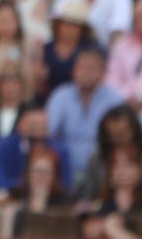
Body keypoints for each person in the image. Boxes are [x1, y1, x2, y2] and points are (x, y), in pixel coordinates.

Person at [46, 44, 122, 178]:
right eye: (82, 67)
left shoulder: (114, 99)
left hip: (103, 167)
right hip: (64, 168)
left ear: (103, 72)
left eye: (92, 68)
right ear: (74, 70)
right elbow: (48, 131)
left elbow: (119, 136)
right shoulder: (60, 95)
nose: (86, 72)